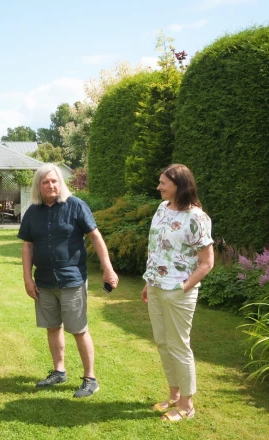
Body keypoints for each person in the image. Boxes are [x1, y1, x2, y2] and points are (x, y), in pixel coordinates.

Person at [18, 163, 119, 398]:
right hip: (43, 281)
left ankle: (90, 378)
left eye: (54, 181)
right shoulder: (32, 212)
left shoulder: (75, 206)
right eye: (45, 182)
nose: (51, 185)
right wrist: (27, 279)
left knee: (79, 329)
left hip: (71, 279)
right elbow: (27, 245)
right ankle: (59, 371)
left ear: (60, 183)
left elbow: (95, 236)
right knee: (52, 327)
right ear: (39, 186)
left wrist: (108, 269)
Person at [141, 164, 214, 422]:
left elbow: (207, 261)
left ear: (179, 185)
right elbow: (156, 249)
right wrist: (149, 280)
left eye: (163, 183)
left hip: (179, 292)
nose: (158, 187)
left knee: (179, 345)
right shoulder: (162, 209)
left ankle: (187, 404)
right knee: (162, 342)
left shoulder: (196, 218)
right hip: (156, 286)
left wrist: (184, 287)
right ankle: (173, 395)